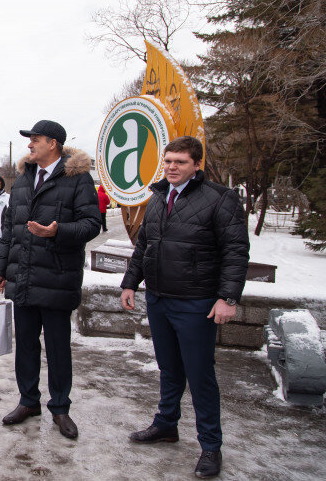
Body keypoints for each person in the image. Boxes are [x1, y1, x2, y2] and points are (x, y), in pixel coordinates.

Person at [119, 136, 250, 479]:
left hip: (196, 303)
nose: (172, 167)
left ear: (196, 164)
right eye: (168, 161)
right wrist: (131, 282)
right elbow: (146, 243)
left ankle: (210, 446)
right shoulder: (160, 195)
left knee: (200, 375)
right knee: (169, 369)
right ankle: (166, 425)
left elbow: (235, 252)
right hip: (160, 299)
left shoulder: (220, 199)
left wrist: (228, 297)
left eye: (180, 162)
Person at [0, 120, 100, 439]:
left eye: (34, 140)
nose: (29, 145)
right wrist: (0, 269)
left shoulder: (77, 178)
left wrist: (58, 232)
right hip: (23, 278)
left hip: (56, 276)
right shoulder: (23, 179)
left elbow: (92, 224)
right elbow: (10, 227)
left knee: (57, 347)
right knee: (25, 344)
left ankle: (61, 408)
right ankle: (28, 401)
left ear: (53, 143)